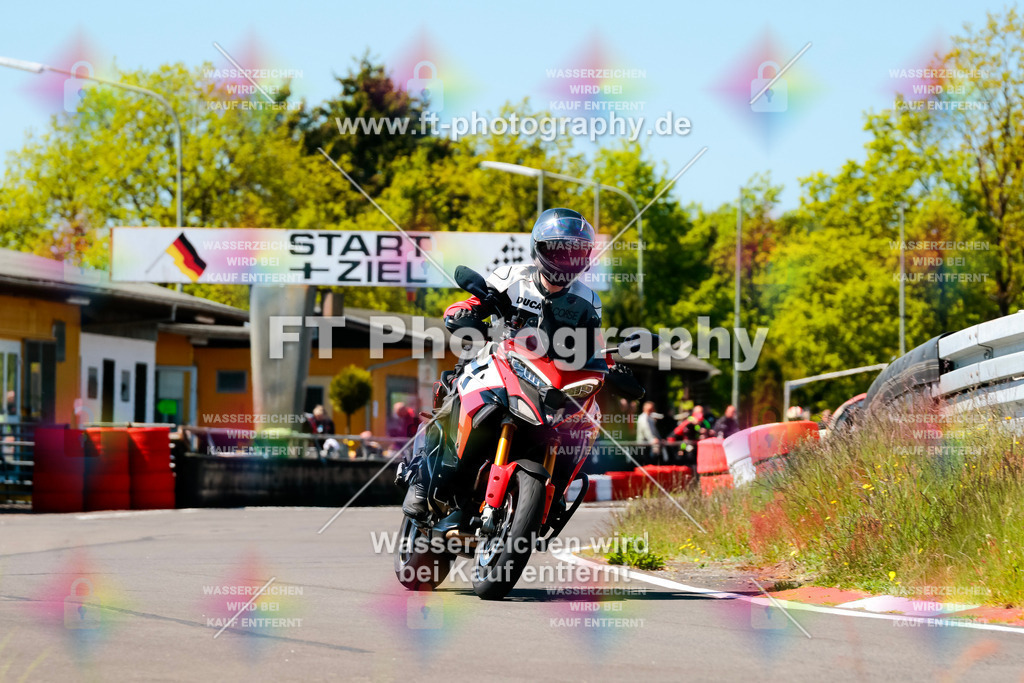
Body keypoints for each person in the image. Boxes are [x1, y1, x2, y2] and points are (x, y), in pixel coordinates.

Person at [401, 208, 616, 520]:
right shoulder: (512, 276)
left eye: (574, 252)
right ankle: (424, 479)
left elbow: (592, 344)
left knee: (588, 418)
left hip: (549, 378)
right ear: (539, 248)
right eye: (557, 249)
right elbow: (475, 302)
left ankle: (553, 496)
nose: (565, 259)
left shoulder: (588, 300)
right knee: (458, 393)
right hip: (497, 359)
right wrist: (462, 314)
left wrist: (612, 366)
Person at [635, 401, 662, 465]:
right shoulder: (642, 418)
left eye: (652, 409)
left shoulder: (650, 418)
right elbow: (646, 430)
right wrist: (653, 439)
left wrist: (659, 439)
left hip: (649, 444)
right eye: (649, 409)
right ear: (644, 409)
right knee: (645, 463)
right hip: (643, 445)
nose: (651, 411)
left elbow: (654, 431)